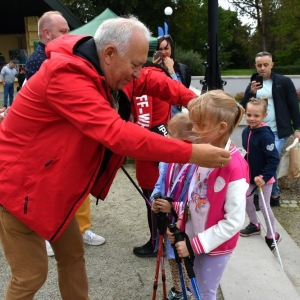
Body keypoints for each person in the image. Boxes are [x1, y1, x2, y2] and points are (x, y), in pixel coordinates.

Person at [0, 16, 231, 299]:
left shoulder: (105, 70)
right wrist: (192, 153)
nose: (137, 73)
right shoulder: (66, 74)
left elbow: (152, 81)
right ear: (109, 53)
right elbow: (116, 133)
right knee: (31, 274)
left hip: (54, 188)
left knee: (73, 256)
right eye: (134, 65)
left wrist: (193, 101)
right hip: (19, 186)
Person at [25, 11, 105, 257]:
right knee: (52, 186)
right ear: (46, 33)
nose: (68, 35)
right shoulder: (39, 60)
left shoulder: (63, 55)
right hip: (51, 138)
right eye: (63, 31)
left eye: (68, 30)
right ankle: (48, 233)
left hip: (73, 133)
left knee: (80, 180)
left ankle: (81, 228)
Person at [168, 90, 249, 300]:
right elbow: (196, 199)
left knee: (204, 293)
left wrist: (193, 245)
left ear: (221, 128)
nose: (193, 129)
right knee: (197, 291)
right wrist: (179, 221)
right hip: (195, 238)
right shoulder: (205, 153)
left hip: (214, 247)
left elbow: (234, 221)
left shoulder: (235, 168)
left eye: (199, 125)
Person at [240, 51, 300, 207]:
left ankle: (268, 194)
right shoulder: (254, 82)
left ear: (272, 64)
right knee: (263, 160)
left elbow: (294, 105)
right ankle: (273, 193)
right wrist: (251, 91)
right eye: (259, 65)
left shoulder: (284, 82)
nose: (262, 68)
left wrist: (297, 128)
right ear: (255, 66)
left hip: (278, 130)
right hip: (260, 130)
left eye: (266, 64)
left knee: (270, 159)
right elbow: (243, 105)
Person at [127, 62, 174, 258]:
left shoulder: (145, 82)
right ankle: (164, 241)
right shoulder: (163, 78)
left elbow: (145, 121)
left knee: (152, 198)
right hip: (164, 140)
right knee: (164, 197)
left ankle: (156, 244)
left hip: (149, 147)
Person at [151, 113, 197, 300]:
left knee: (184, 258)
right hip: (167, 221)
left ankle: (189, 290)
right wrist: (155, 199)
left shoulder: (196, 166)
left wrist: (174, 207)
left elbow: (196, 202)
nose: (167, 138)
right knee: (170, 257)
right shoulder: (167, 160)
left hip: (185, 224)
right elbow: (159, 184)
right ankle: (178, 289)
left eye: (171, 135)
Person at [240, 97, 281, 252]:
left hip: (264, 177)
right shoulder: (246, 131)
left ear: (264, 116)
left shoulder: (265, 135)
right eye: (249, 114)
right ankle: (254, 224)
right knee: (247, 201)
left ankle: (272, 235)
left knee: (264, 206)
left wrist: (264, 177)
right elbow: (248, 153)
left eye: (256, 116)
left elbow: (273, 159)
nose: (251, 118)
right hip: (250, 175)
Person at [154, 34, 191, 116]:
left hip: (175, 116)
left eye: (166, 48)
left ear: (172, 49)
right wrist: (153, 68)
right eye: (160, 49)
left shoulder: (182, 69)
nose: (163, 52)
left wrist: (171, 71)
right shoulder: (154, 69)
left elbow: (182, 92)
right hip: (159, 117)